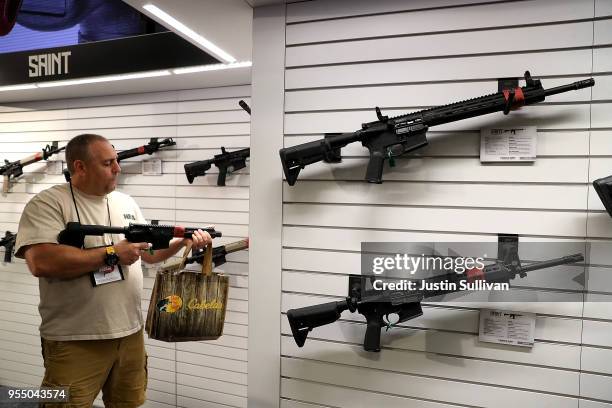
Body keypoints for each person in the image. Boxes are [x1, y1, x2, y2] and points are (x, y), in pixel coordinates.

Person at [14, 134, 212, 407]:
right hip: (75, 340)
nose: (118, 168)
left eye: (116, 161)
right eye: (108, 163)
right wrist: (111, 254)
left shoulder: (124, 202)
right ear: (80, 167)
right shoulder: (48, 203)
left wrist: (182, 241)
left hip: (129, 336)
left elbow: (149, 254)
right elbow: (41, 262)